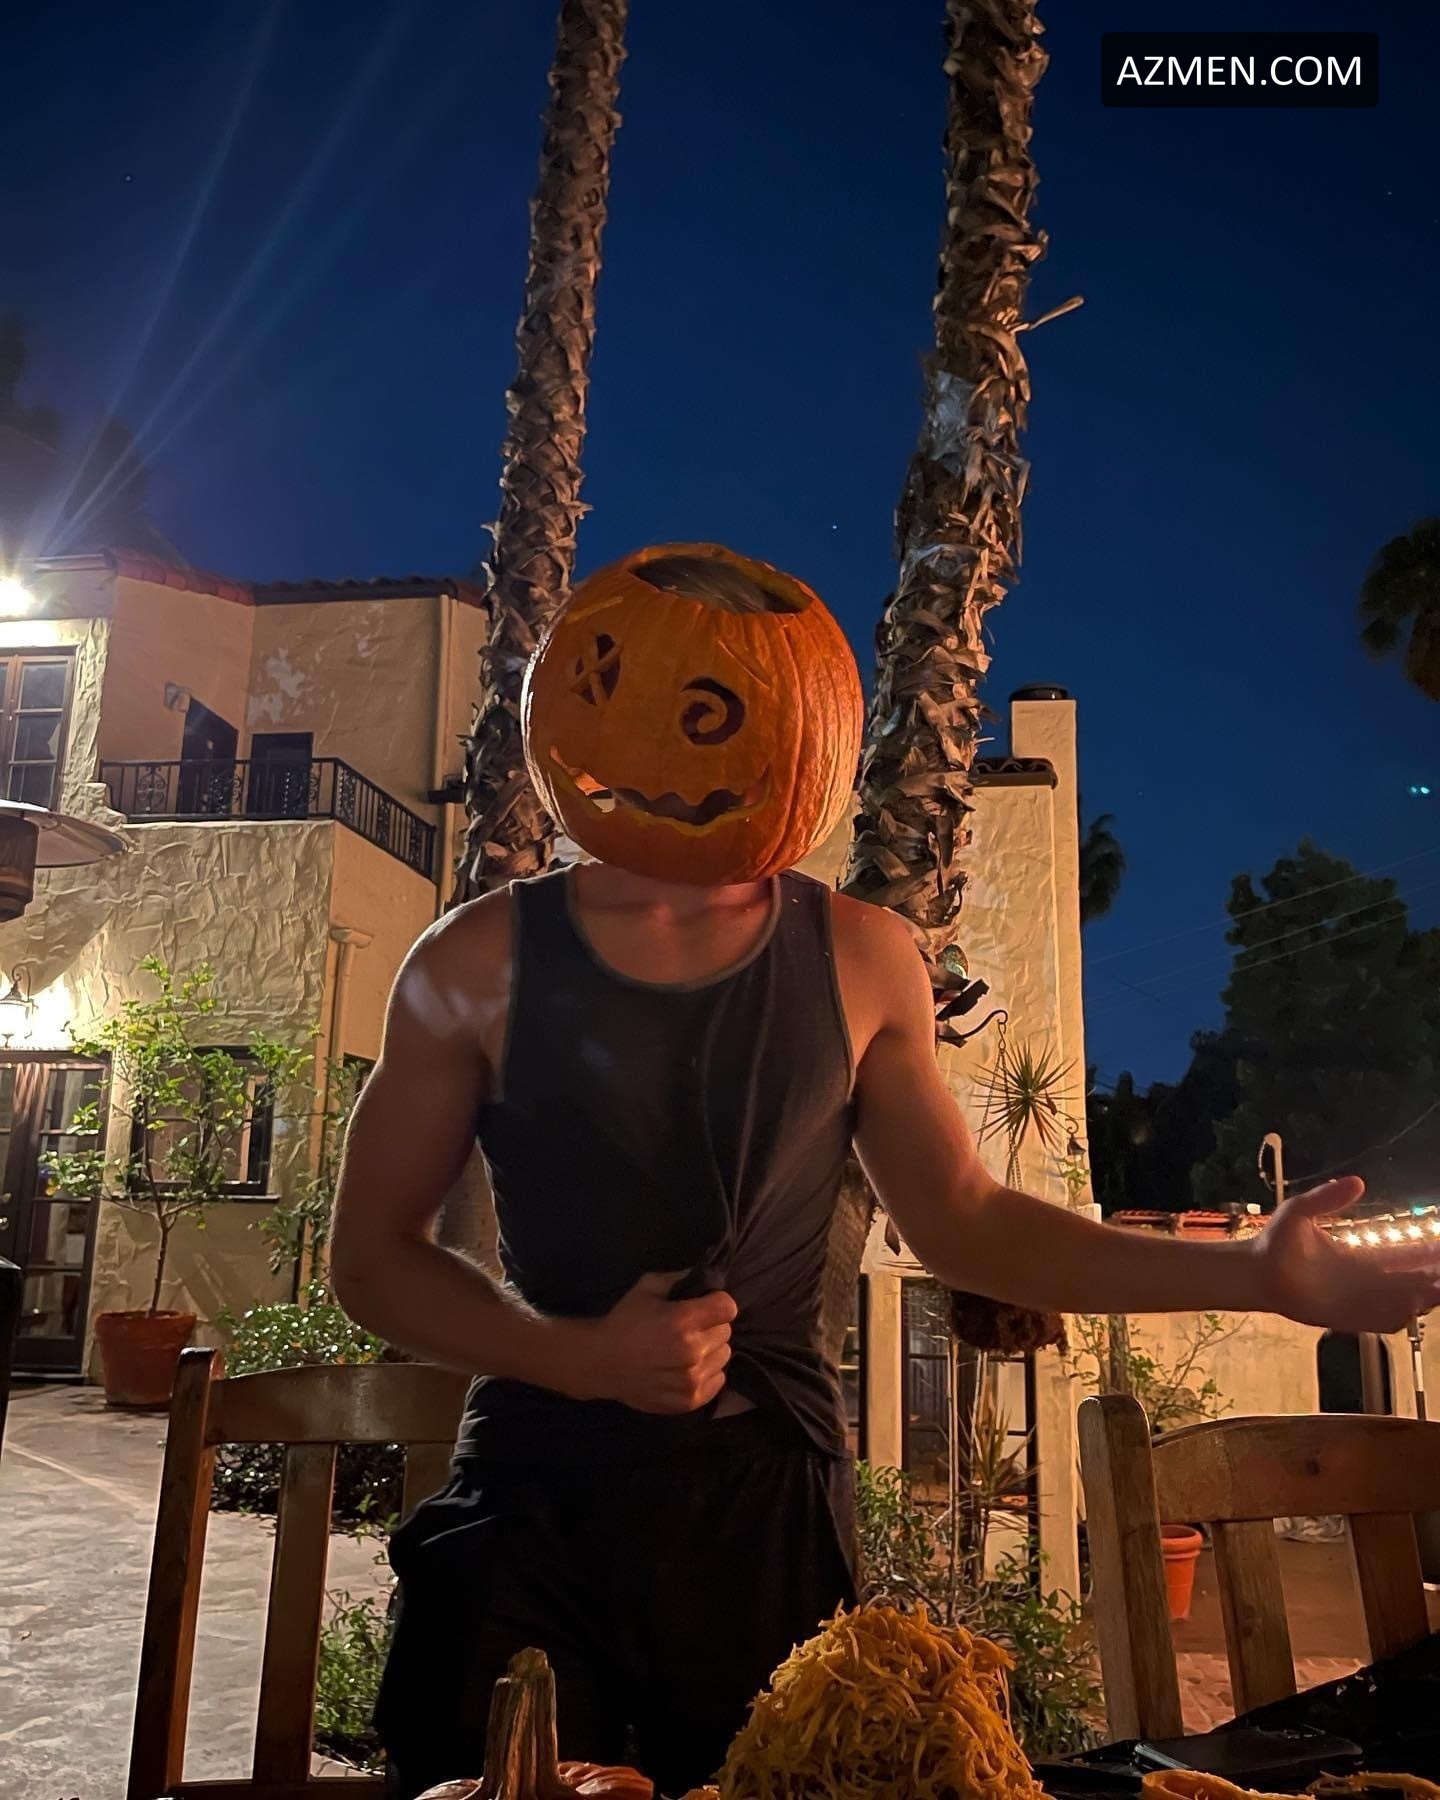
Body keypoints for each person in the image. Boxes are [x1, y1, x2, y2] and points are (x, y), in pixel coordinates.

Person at [331, 546, 1440, 1799]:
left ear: (809, 735)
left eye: (722, 712)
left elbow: (964, 1221)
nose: (671, 748)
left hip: (767, 1509)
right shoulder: (471, 960)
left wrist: (1252, 1272)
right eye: (619, 687)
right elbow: (370, 1259)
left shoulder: (862, 958)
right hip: (527, 1500)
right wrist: (578, 1358)